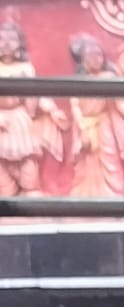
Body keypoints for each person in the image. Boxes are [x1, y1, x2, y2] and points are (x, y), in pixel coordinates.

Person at [68, 35, 124, 198]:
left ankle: (114, 196)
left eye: (99, 54)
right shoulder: (77, 81)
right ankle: (86, 200)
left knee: (111, 164)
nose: (97, 59)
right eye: (91, 55)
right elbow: (75, 107)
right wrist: (82, 129)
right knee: (86, 167)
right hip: (85, 127)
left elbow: (120, 103)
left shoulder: (108, 78)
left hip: (103, 127)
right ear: (83, 59)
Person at [0, 18, 66, 197]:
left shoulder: (25, 68)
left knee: (28, 166)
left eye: (11, 39)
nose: (6, 44)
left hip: (20, 122)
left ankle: (30, 195)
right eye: (2, 39)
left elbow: (36, 94)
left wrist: (52, 111)